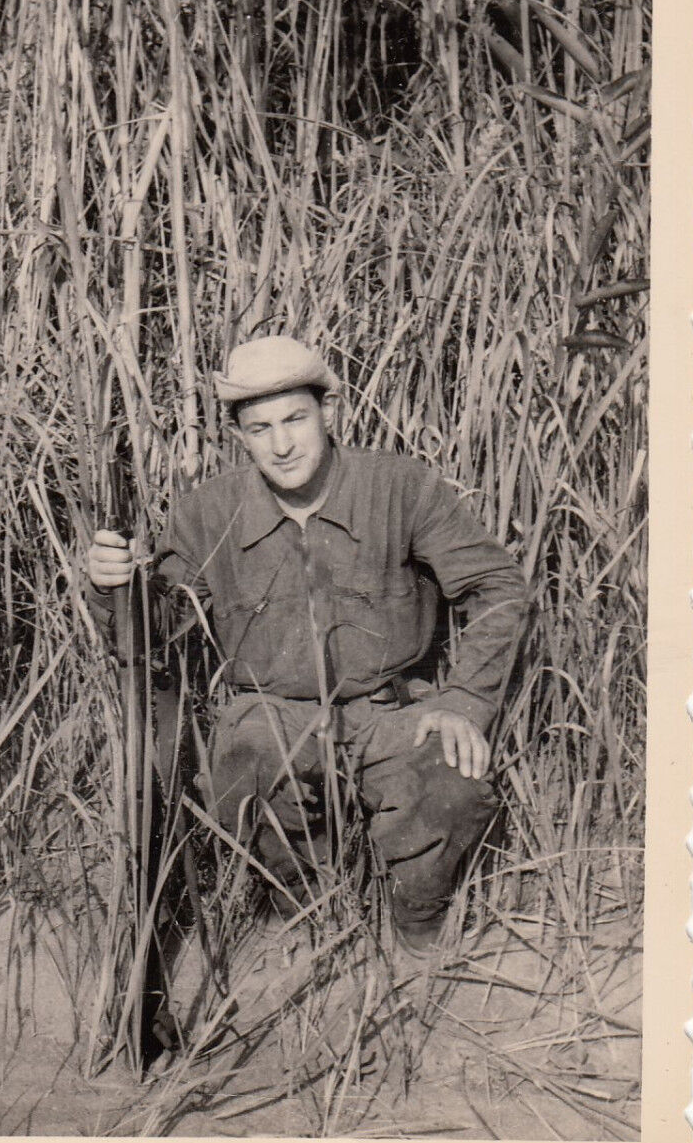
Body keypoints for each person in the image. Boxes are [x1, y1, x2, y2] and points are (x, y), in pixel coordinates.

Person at [86, 335, 530, 956]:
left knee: (452, 784)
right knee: (244, 764)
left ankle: (419, 917)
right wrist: (117, 588)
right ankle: (301, 907)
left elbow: (499, 587)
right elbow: (156, 635)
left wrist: (464, 701)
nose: (282, 444)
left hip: (392, 710)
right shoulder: (205, 513)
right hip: (271, 713)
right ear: (240, 436)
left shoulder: (400, 487)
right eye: (260, 427)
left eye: (296, 418)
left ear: (329, 411)